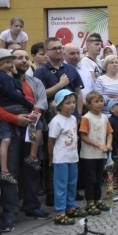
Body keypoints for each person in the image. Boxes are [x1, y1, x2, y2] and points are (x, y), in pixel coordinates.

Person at [0, 48, 36, 185]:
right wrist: (28, 105)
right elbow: (13, 94)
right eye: (7, 62)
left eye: (10, 62)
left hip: (11, 114)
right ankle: (33, 155)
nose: (10, 65)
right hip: (13, 110)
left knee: (7, 140)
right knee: (37, 122)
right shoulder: (3, 77)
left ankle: (5, 170)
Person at [48, 89, 83, 226]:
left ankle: (71, 207)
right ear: (60, 105)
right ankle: (60, 212)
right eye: (68, 103)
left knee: (72, 183)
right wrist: (51, 157)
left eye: (73, 102)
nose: (72, 105)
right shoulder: (56, 121)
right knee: (61, 185)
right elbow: (51, 141)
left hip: (72, 156)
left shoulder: (73, 118)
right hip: (61, 158)